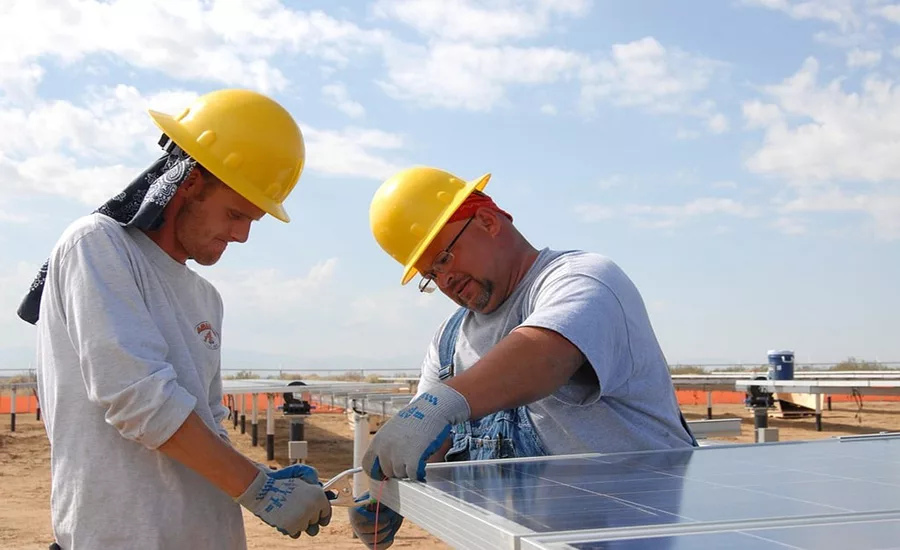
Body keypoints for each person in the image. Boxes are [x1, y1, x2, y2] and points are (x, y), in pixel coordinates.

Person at [18, 89, 332, 550]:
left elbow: (204, 425)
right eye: (234, 214)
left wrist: (261, 477)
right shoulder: (98, 246)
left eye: (254, 220)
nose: (242, 236)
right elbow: (138, 400)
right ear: (189, 183)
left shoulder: (205, 299)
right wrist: (258, 489)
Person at [348, 165, 697, 548]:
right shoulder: (448, 342)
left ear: (486, 220)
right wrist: (391, 495)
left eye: (444, 259)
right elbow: (426, 443)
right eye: (430, 275)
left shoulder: (582, 279)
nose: (444, 281)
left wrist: (440, 404)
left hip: (638, 536)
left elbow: (543, 356)